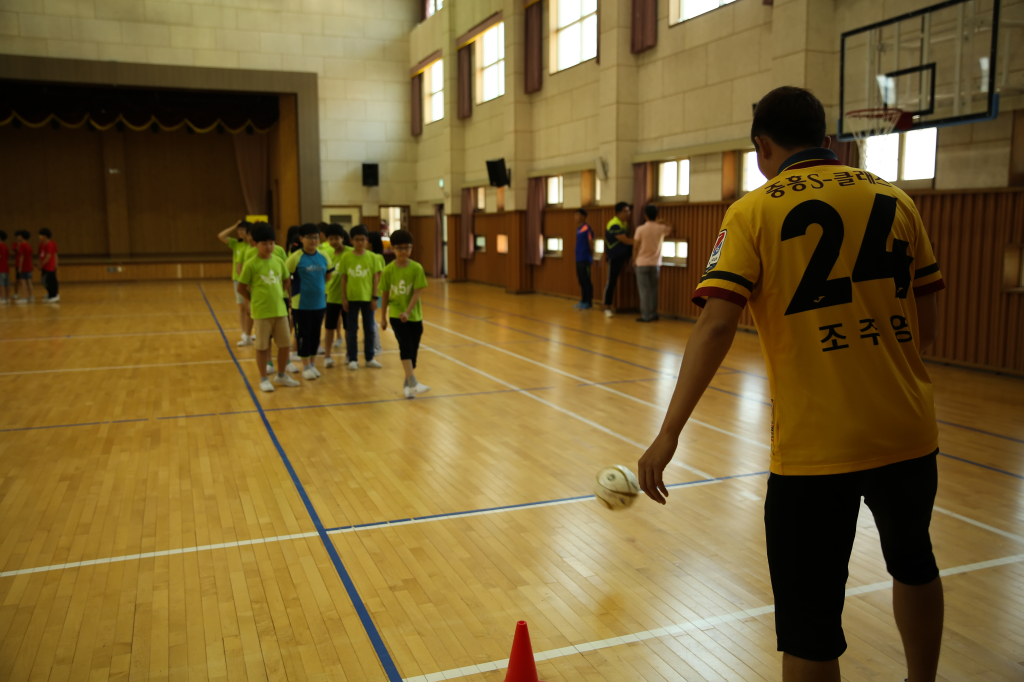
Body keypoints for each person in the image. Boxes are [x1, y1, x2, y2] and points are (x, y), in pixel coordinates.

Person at [637, 86, 946, 682]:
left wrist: (668, 432)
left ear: (761, 147)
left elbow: (716, 325)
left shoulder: (753, 213)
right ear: (827, 140)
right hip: (909, 431)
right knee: (915, 563)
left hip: (815, 450)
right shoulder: (896, 198)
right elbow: (925, 330)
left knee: (809, 625)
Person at [237, 222, 300, 393]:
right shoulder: (251, 264)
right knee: (262, 347)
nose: (269, 246)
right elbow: (241, 287)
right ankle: (264, 378)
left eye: (271, 243)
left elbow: (287, 280)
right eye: (264, 243)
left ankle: (281, 374)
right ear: (255, 244)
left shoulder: (279, 261)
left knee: (285, 345)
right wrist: (250, 302)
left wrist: (283, 294)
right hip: (262, 312)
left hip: (280, 310)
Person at [380, 229, 430, 398]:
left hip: (414, 316)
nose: (403, 252)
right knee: (406, 346)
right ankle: (413, 381)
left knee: (413, 350)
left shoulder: (417, 268)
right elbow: (385, 294)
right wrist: (383, 318)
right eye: (399, 248)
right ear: (392, 249)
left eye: (407, 248)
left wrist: (408, 312)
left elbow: (416, 293)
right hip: (396, 316)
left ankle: (408, 383)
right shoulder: (388, 271)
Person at [285, 224, 334, 380]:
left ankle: (312, 364)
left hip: (319, 303)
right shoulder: (295, 258)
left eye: (316, 237)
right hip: (301, 304)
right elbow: (286, 279)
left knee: (315, 334)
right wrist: (291, 297)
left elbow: (328, 276)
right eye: (310, 237)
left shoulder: (324, 256)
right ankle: (305, 365)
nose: (314, 241)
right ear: (301, 239)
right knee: (303, 334)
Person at [340, 225, 383, 370]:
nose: (360, 242)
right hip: (351, 298)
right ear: (351, 240)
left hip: (368, 298)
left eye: (362, 240)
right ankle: (353, 358)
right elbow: (344, 278)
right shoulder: (346, 257)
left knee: (369, 329)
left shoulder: (372, 257)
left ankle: (369, 357)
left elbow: (376, 278)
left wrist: (375, 297)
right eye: (357, 240)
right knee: (352, 330)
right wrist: (344, 298)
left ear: (367, 240)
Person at [631, 205, 672, 322]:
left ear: (645, 215)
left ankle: (645, 315)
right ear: (657, 215)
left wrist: (634, 260)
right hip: (655, 263)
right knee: (654, 289)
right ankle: (653, 313)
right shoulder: (661, 228)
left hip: (642, 262)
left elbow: (635, 247)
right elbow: (671, 228)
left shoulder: (640, 229)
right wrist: (664, 221)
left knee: (644, 290)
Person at [218, 220, 255, 346]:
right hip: (238, 279)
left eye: (243, 230)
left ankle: (249, 332)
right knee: (242, 307)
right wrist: (234, 226)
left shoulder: (252, 246)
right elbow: (221, 236)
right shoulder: (236, 244)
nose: (240, 232)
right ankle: (244, 332)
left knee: (250, 307)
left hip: (251, 281)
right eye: (238, 230)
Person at [323, 225, 350, 367]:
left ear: (342, 238)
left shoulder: (351, 253)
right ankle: (327, 355)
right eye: (330, 239)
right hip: (331, 295)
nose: (333, 241)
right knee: (329, 327)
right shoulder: (325, 253)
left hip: (349, 297)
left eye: (336, 238)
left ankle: (348, 354)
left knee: (348, 327)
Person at [602, 202, 633, 318]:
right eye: (626, 211)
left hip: (622, 257)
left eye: (629, 211)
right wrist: (641, 241)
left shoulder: (624, 224)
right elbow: (625, 239)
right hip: (614, 257)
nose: (628, 213)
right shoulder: (614, 224)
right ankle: (607, 306)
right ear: (619, 212)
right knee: (611, 281)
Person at [573, 209, 595, 310]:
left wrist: (591, 257)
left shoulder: (587, 228)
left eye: (577, 215)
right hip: (578, 258)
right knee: (581, 280)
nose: (575, 217)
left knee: (586, 280)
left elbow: (591, 243)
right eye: (575, 215)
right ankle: (583, 300)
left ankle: (589, 302)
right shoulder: (578, 229)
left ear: (583, 216)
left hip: (585, 259)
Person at [36, 228, 59, 303]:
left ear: (45, 236)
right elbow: (40, 255)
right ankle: (50, 294)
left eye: (40, 235)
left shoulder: (51, 244)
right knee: (44, 281)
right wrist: (39, 264)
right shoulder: (41, 245)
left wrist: (56, 263)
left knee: (48, 281)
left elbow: (49, 256)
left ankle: (54, 295)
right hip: (44, 266)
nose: (39, 237)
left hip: (50, 266)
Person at [13, 231, 33, 304]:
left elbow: (21, 256)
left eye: (19, 236)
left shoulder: (22, 245)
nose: (18, 237)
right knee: (29, 281)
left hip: (24, 266)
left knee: (23, 282)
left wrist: (20, 267)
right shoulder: (28, 245)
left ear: (22, 236)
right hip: (29, 266)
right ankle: (31, 297)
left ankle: (24, 297)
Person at [0, 231, 10, 305]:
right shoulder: (5, 246)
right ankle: (7, 298)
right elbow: (7, 256)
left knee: (1, 284)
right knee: (6, 283)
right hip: (5, 267)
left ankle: (2, 298)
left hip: (0, 268)